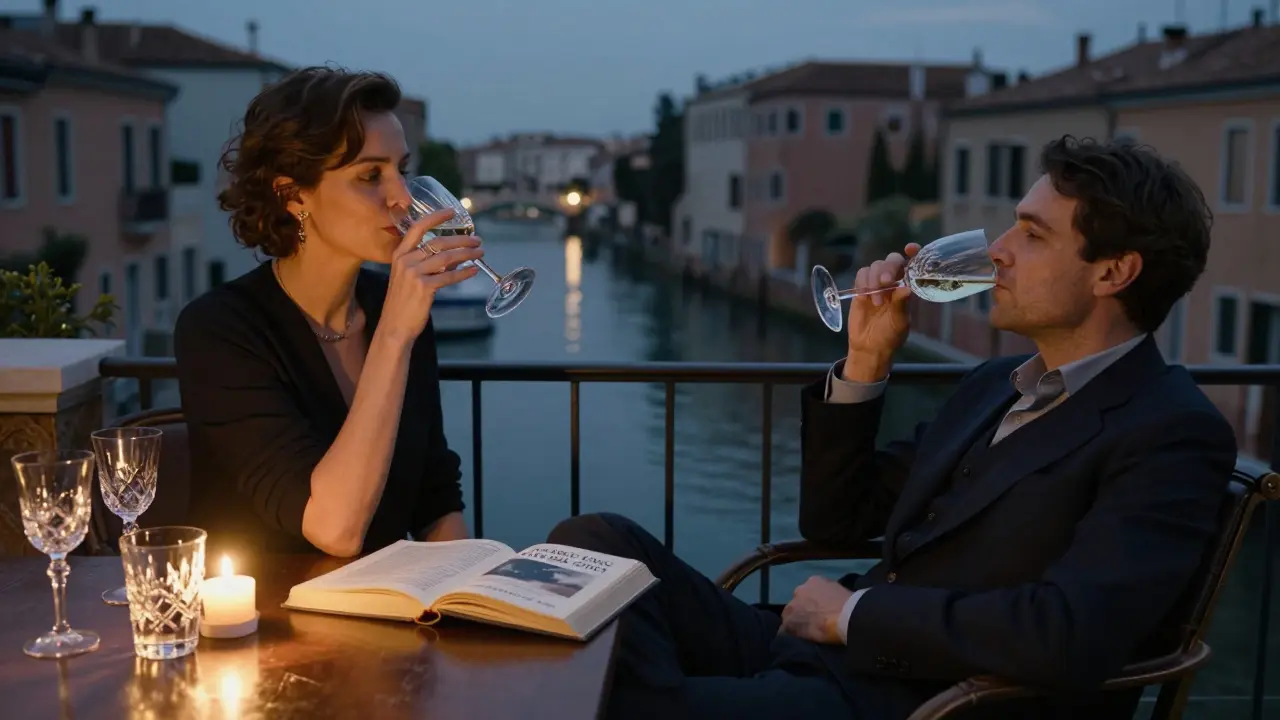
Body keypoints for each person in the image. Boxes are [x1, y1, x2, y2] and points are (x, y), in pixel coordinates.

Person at [548, 135, 1237, 719]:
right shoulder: (991, 387)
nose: (996, 250)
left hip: (924, 698)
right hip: (823, 652)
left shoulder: (1170, 432)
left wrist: (851, 617)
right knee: (591, 544)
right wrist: (866, 359)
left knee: (618, 692)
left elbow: (1068, 633)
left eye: (1031, 234)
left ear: (1114, 272)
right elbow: (834, 521)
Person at [173, 67, 483, 558]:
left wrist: (467, 598)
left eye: (401, 168)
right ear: (293, 195)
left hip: (389, 616)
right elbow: (334, 529)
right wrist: (394, 338)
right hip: (261, 622)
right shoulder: (219, 331)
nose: (402, 197)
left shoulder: (393, 304)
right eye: (370, 175)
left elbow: (436, 499)